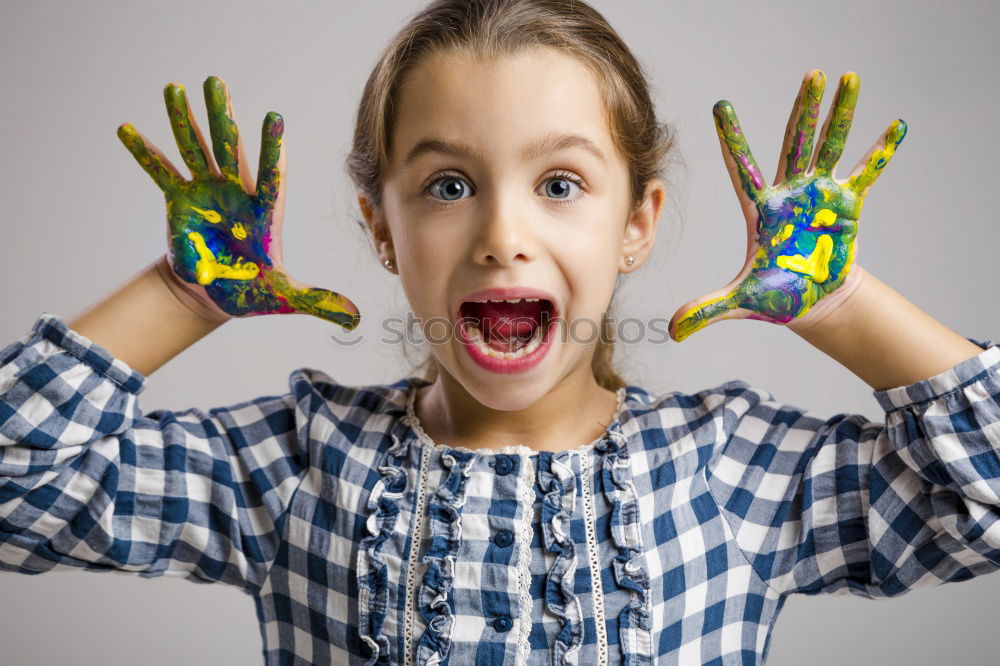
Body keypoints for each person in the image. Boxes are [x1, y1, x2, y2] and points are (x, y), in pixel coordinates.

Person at [2, 0, 998, 664]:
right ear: (380, 228)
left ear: (636, 224)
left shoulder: (729, 472)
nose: (502, 236)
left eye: (559, 184)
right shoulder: (301, 466)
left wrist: (845, 307)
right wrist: (182, 296)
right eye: (447, 185)